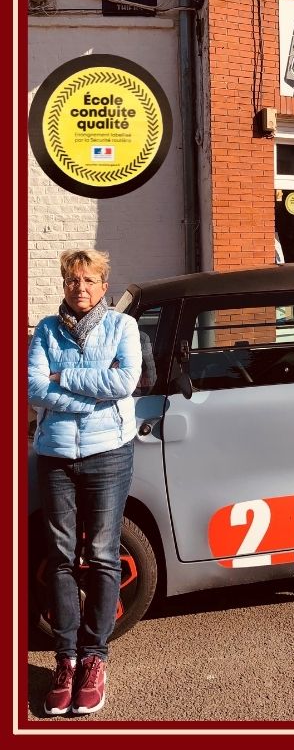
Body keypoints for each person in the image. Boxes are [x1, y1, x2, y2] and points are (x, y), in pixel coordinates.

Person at [27, 249, 142, 716]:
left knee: (100, 553)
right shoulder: (45, 330)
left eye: (89, 280)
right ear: (63, 285)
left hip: (108, 454)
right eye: (73, 281)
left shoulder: (122, 327)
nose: (81, 289)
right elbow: (34, 389)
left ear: (103, 284)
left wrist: (65, 379)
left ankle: (94, 657)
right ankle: (66, 659)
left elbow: (126, 382)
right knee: (58, 555)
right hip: (55, 455)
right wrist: (87, 396)